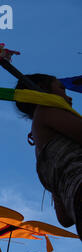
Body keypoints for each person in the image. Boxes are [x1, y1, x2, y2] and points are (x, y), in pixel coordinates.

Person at [15, 74, 82, 239]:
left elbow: (64, 218)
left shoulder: (40, 152)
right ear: (44, 91)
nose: (69, 95)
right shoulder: (46, 111)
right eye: (62, 88)